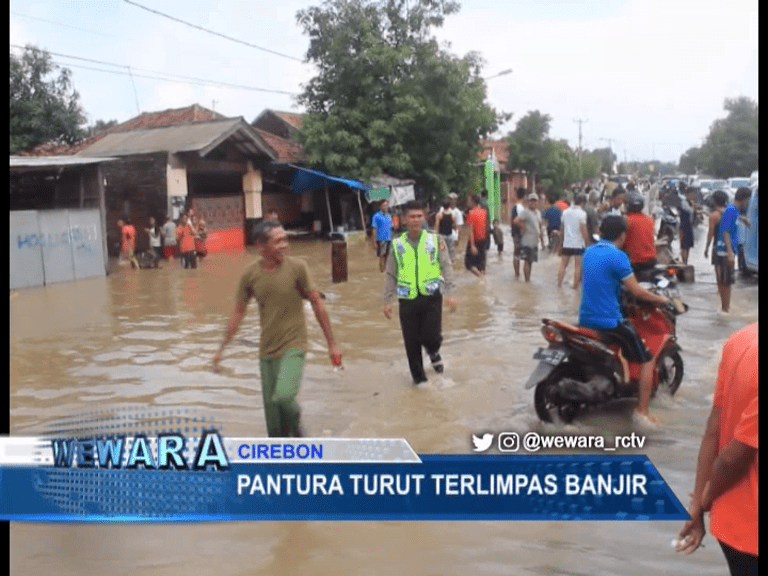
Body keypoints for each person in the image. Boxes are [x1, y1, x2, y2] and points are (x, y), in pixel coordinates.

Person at [212, 220, 340, 437]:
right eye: (278, 241)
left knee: (283, 397)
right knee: (274, 426)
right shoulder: (250, 274)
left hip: (294, 345)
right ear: (261, 246)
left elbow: (317, 303)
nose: (284, 245)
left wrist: (332, 344)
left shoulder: (298, 267)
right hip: (267, 351)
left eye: (285, 240)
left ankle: (299, 432)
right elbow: (238, 312)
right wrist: (221, 349)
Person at [677, 322, 757, 575]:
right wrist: (705, 497)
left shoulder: (742, 339)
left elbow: (714, 428)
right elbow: (733, 459)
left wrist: (698, 503)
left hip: (730, 524)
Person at [579, 215, 670, 423]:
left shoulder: (589, 252)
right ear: (623, 235)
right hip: (609, 321)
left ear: (601, 231)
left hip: (585, 318)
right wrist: (661, 299)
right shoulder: (618, 257)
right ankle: (643, 412)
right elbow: (637, 291)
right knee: (647, 360)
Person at [383, 200, 457, 385]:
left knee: (431, 337)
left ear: (424, 217)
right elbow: (391, 273)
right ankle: (420, 384)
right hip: (407, 300)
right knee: (411, 344)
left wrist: (451, 293)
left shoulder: (435, 240)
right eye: (412, 216)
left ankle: (433, 351)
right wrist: (387, 300)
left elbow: (446, 266)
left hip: (432, 297)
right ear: (404, 220)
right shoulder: (397, 244)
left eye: (419, 216)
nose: (416, 220)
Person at [706, 188, 751, 313]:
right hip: (725, 251)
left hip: (722, 249)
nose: (748, 204)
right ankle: (726, 310)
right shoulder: (732, 210)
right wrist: (730, 253)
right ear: (744, 199)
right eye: (748, 201)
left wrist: (743, 219)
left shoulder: (732, 210)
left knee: (722, 281)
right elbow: (726, 232)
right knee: (727, 283)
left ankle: (723, 308)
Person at [557, 193, 589, 289]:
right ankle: (575, 287)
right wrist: (588, 244)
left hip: (567, 243)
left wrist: (560, 245)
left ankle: (559, 285)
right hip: (578, 245)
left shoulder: (565, 212)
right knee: (578, 267)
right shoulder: (582, 214)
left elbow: (561, 230)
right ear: (582, 203)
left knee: (563, 265)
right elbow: (584, 231)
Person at [623, 192, 658, 279]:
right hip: (651, 261)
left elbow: (620, 241)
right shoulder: (649, 219)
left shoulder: (625, 220)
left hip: (634, 262)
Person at [513, 193, 545, 283]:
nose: (533, 203)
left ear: (537, 202)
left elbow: (540, 226)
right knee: (527, 260)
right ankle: (527, 281)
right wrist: (524, 227)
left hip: (535, 240)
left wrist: (542, 242)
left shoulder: (538, 213)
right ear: (528, 202)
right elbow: (516, 221)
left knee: (530, 261)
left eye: (535, 201)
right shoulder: (525, 212)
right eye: (532, 201)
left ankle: (528, 279)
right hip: (527, 240)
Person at [465, 194, 489, 278]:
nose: (467, 203)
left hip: (474, 241)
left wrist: (472, 245)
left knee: (468, 265)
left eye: (469, 201)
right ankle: (482, 281)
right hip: (483, 240)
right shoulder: (484, 212)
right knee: (481, 265)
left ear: (473, 202)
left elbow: (470, 230)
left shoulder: (471, 213)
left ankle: (480, 278)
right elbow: (486, 226)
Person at [371, 200, 394, 273]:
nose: (386, 207)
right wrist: (374, 241)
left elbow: (391, 228)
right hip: (381, 239)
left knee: (388, 255)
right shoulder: (376, 216)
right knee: (382, 256)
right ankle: (382, 271)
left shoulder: (389, 216)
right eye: (384, 205)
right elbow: (374, 228)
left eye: (386, 205)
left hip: (389, 238)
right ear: (380, 207)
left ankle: (386, 271)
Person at [510, 187, 528, 278]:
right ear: (524, 197)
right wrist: (526, 230)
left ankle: (516, 275)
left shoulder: (515, 206)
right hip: (519, 234)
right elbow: (519, 221)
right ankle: (518, 274)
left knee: (516, 254)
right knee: (520, 255)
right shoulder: (520, 208)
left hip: (515, 233)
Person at [678, 186, 697, 264]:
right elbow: (690, 211)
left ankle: (686, 261)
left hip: (689, 226)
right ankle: (684, 262)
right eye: (693, 194)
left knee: (688, 246)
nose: (695, 196)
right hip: (684, 227)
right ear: (689, 194)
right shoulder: (684, 202)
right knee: (684, 246)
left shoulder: (689, 202)